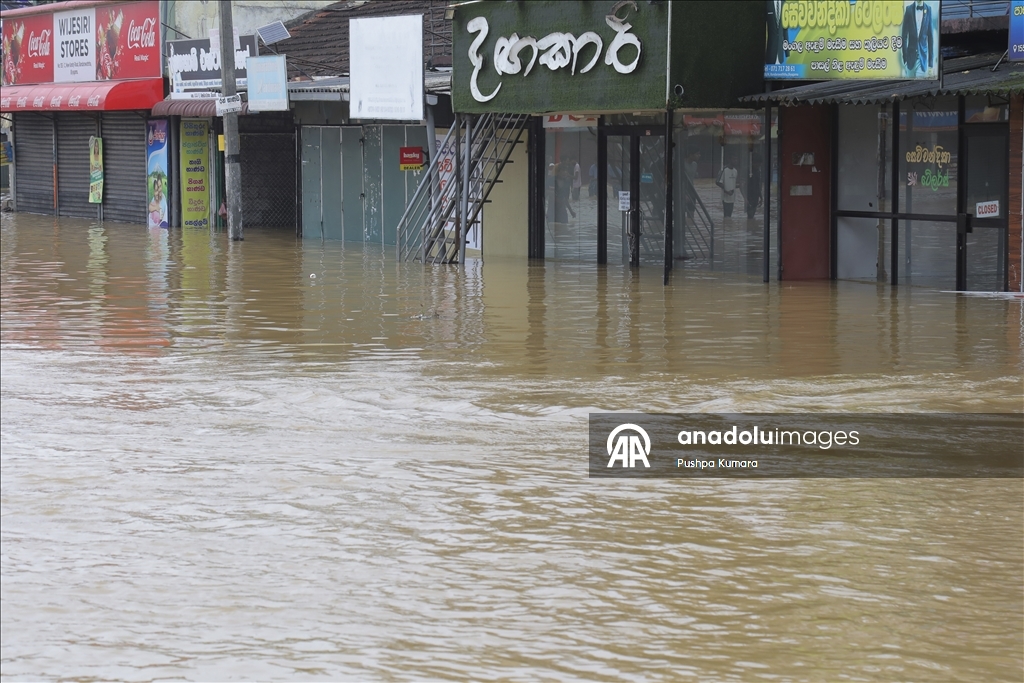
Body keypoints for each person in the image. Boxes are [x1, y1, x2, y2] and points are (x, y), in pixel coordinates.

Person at [901, 0, 934, 78]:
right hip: (910, 59)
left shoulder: (928, 9)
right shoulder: (908, 10)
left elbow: (930, 37)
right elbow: (904, 35)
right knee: (909, 86)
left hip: (922, 59)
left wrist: (930, 64)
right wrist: (905, 59)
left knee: (920, 85)